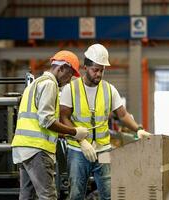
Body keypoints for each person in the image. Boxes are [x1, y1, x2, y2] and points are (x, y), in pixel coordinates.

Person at [60, 44, 152, 200]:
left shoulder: (109, 89)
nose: (99, 74)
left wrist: (138, 129)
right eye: (95, 70)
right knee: (76, 194)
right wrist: (81, 141)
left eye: (102, 70)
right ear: (85, 67)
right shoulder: (71, 89)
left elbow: (122, 115)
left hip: (104, 150)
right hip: (78, 150)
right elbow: (64, 117)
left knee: (109, 194)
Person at [11, 50, 90, 200]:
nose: (69, 80)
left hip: (24, 147)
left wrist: (68, 135)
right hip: (37, 149)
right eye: (70, 74)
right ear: (61, 69)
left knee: (27, 195)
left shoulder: (35, 84)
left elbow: (38, 122)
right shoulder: (50, 85)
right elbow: (46, 120)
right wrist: (74, 131)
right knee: (48, 196)